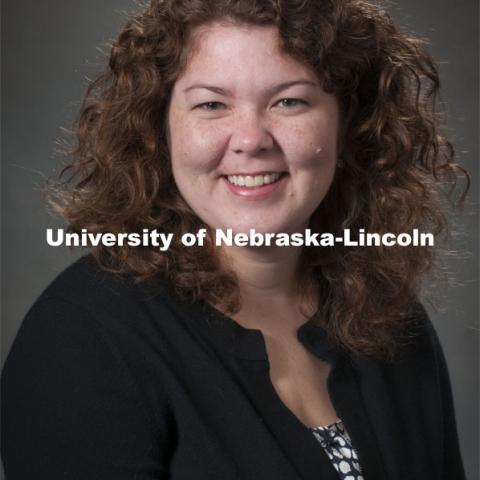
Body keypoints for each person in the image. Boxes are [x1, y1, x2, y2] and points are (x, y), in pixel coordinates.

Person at [1, 0, 469, 479]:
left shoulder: (390, 315)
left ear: (348, 125)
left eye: (289, 101)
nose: (250, 139)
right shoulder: (83, 335)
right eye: (211, 104)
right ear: (159, 130)